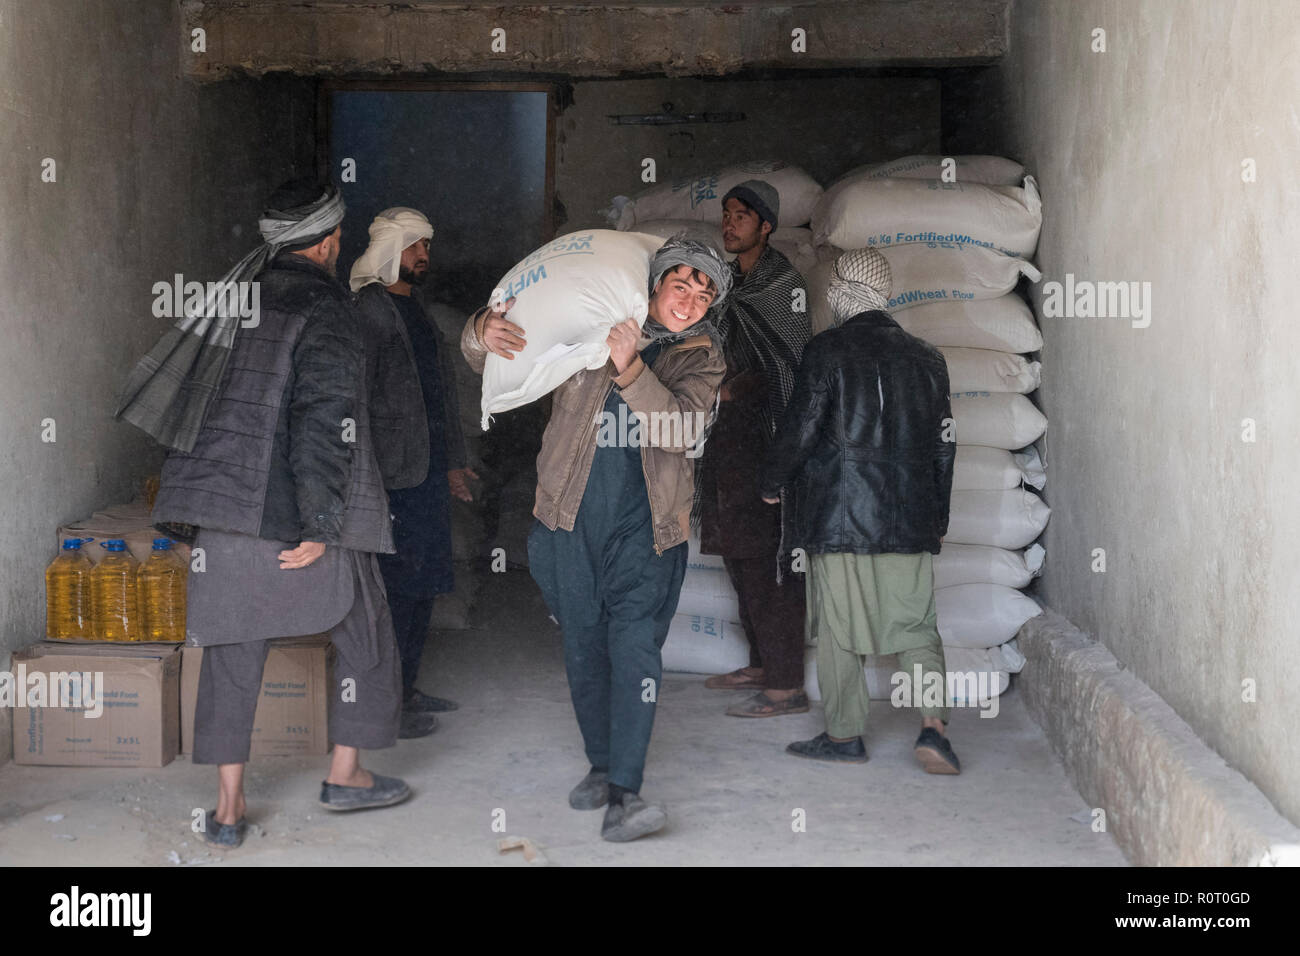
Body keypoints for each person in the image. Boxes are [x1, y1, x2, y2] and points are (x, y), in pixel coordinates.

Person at [120, 179, 410, 849]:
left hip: (220, 511)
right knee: (366, 636)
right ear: (333, 241)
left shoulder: (233, 303)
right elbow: (322, 420)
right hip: (292, 513)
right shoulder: (328, 311)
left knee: (230, 654)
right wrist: (319, 523)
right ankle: (347, 772)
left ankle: (227, 806)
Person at [460, 236, 732, 841]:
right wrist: (482, 331)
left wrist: (631, 366)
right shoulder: (590, 323)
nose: (688, 302)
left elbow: (681, 429)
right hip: (569, 518)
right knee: (583, 646)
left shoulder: (700, 354)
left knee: (634, 649)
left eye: (702, 294)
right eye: (680, 286)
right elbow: (497, 359)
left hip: (647, 530)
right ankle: (602, 766)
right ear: (655, 285)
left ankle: (627, 794)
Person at [759, 247, 961, 773]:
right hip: (909, 520)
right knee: (917, 628)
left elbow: (801, 428)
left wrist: (772, 481)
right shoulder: (927, 358)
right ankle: (934, 730)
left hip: (842, 518)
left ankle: (844, 735)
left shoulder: (827, 351)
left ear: (843, 291)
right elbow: (944, 447)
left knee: (839, 631)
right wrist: (936, 518)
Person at [351, 207, 476, 737]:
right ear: (388, 250)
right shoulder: (367, 312)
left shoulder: (416, 310)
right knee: (394, 590)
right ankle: (387, 704)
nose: (424, 256)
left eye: (427, 247)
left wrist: (453, 464)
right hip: (389, 477)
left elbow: (439, 396)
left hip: (423, 473)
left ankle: (408, 686)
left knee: (423, 585)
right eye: (414, 247)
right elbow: (352, 402)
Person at [696, 179, 812, 718]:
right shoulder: (723, 287)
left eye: (742, 215)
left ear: (767, 225)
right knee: (741, 560)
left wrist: (736, 388)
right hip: (728, 442)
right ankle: (762, 663)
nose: (730, 223)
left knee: (772, 568)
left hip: (768, 443)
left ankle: (786, 686)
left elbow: (789, 367)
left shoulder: (781, 284)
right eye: (726, 214)